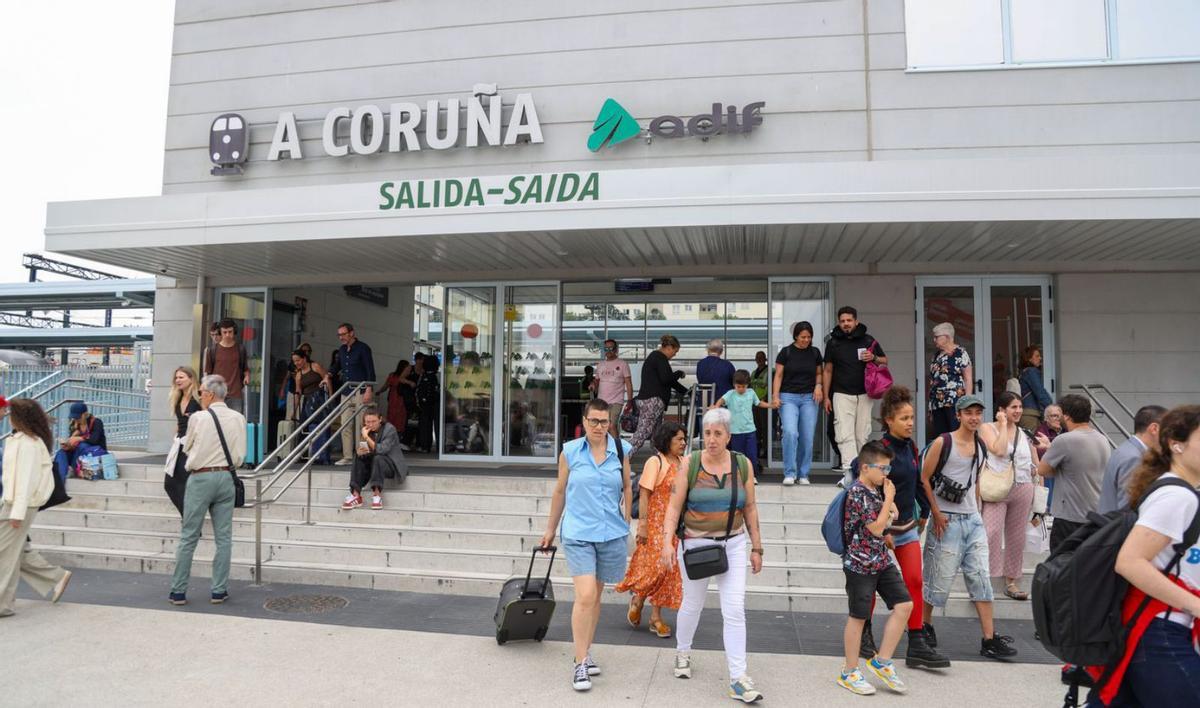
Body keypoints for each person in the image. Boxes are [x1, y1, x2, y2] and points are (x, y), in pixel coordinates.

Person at [1087, 406, 1200, 705]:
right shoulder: (1178, 496)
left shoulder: (1176, 490)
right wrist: (1195, 605)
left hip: (1152, 631)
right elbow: (1130, 561)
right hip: (1160, 631)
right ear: (1176, 444)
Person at [659, 407, 765, 704]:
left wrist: (757, 546)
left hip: (732, 543)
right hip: (696, 545)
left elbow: (751, 508)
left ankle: (738, 678)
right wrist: (667, 542)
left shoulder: (742, 465)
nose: (712, 439)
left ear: (729, 436)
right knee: (692, 604)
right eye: (707, 433)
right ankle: (683, 651)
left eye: (718, 433)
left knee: (734, 609)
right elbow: (674, 507)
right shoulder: (690, 463)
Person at [539, 399, 633, 692]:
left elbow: (628, 485)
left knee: (596, 598)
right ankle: (580, 663)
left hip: (610, 533)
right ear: (584, 420)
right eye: (593, 421)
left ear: (610, 423)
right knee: (586, 595)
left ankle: (586, 650)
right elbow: (559, 490)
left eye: (604, 422)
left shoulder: (621, 449)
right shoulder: (570, 451)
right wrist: (550, 530)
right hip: (579, 532)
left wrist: (628, 517)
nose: (599, 427)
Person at [919, 395, 1018, 660]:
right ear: (958, 415)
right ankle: (924, 627)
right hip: (946, 520)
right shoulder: (944, 442)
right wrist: (936, 514)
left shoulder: (981, 444)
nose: (974, 417)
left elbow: (980, 474)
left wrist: (977, 512)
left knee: (981, 578)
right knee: (937, 577)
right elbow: (925, 478)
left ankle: (989, 638)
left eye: (978, 413)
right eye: (969, 413)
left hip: (972, 520)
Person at [874, 386, 946, 668]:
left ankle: (916, 642)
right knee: (869, 587)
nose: (911, 422)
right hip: (878, 531)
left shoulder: (912, 447)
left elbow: (917, 481)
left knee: (915, 581)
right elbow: (868, 491)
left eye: (912, 417)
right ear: (889, 420)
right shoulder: (878, 451)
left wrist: (925, 511)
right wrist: (881, 533)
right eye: (904, 418)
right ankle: (865, 634)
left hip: (906, 528)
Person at [837, 441, 913, 696]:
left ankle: (882, 661)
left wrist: (888, 503)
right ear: (865, 467)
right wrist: (889, 498)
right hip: (860, 563)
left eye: (888, 468)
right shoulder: (857, 492)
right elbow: (876, 527)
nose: (886, 474)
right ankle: (849, 672)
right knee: (858, 617)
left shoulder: (874, 490)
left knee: (904, 605)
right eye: (882, 468)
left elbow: (887, 520)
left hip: (880, 559)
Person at [170, 375, 246, 606]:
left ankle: (179, 591)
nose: (199, 395)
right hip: (227, 477)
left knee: (189, 535)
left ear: (211, 394)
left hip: (201, 477)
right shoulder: (239, 418)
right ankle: (219, 590)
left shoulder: (198, 418)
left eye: (202, 392)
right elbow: (241, 452)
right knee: (224, 538)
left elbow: (188, 445)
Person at [1, 399, 72, 618]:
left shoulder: (28, 444)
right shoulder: (22, 440)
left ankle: (3, 603)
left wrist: (17, 513)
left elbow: (25, 481)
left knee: (5, 555)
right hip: (13, 503)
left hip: (18, 505)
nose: (7, 416)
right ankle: (55, 577)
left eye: (11, 413)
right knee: (14, 552)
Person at [616, 421, 685, 639]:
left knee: (668, 571)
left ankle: (655, 617)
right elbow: (644, 494)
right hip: (655, 524)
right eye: (679, 439)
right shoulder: (655, 462)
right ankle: (638, 597)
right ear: (667, 440)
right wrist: (643, 525)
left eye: (684, 439)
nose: (684, 443)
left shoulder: (684, 463)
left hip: (674, 526)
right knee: (655, 568)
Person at [979, 392, 1044, 602]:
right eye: (1013, 407)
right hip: (997, 488)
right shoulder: (988, 428)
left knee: (1017, 537)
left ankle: (1011, 581)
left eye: (1020, 407)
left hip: (1023, 486)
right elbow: (998, 451)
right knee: (992, 532)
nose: (1018, 411)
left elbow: (1036, 464)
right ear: (1001, 410)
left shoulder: (1025, 433)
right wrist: (1003, 425)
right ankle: (986, 579)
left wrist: (1039, 495)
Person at [1037, 394, 1111, 551]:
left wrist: (1051, 450)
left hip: (1069, 516)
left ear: (1067, 416)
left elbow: (1042, 470)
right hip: (1096, 515)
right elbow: (1078, 464)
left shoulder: (1064, 440)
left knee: (1062, 566)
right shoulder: (1102, 439)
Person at [823, 306, 887, 474]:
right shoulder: (833, 343)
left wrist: (873, 357)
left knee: (861, 434)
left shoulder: (867, 340)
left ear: (856, 321)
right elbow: (827, 370)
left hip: (865, 393)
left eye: (849, 320)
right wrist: (826, 397)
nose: (846, 324)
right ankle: (848, 471)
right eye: (842, 321)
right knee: (844, 434)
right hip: (841, 393)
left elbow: (884, 360)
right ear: (839, 322)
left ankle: (861, 471)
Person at [772, 321, 824, 485]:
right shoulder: (786, 352)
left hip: (809, 398)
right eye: (803, 337)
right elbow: (778, 375)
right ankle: (789, 472)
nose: (806, 340)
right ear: (795, 336)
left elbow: (819, 373)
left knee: (807, 437)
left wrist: (818, 386)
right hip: (788, 397)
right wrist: (775, 396)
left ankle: (803, 474)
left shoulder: (815, 353)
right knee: (790, 432)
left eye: (809, 337)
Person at [1098, 405, 1166, 514]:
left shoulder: (1127, 450)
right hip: (1120, 528)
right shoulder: (1135, 458)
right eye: (1167, 430)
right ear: (1154, 429)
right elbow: (1128, 509)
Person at [629, 335, 689, 453]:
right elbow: (667, 379)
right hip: (652, 401)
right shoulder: (659, 358)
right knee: (641, 434)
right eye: (675, 351)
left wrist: (685, 391)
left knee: (656, 437)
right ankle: (620, 462)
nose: (674, 354)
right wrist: (679, 373)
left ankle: (660, 464)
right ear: (669, 347)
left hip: (649, 400)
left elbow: (669, 381)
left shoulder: (656, 358)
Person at [328, 323, 376, 466]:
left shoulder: (363, 348)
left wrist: (369, 389)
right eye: (339, 335)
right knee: (345, 424)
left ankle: (363, 454)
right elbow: (337, 366)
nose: (341, 337)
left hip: (361, 391)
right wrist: (328, 375)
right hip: (346, 391)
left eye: (343, 334)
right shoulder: (342, 350)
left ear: (352, 333)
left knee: (363, 425)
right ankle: (348, 456)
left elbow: (370, 370)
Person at [341, 407, 406, 511]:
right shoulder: (366, 429)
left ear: (380, 419)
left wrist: (366, 437)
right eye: (367, 422)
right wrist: (360, 451)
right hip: (374, 464)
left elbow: (382, 450)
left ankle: (377, 496)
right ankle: (356, 495)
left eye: (373, 421)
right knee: (358, 456)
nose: (370, 424)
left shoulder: (390, 429)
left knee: (378, 458)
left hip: (390, 465)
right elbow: (365, 451)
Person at [712, 370, 775, 475]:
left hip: (750, 430)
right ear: (734, 385)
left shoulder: (751, 392)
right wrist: (716, 406)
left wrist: (770, 405)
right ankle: (740, 476)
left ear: (747, 385)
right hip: (736, 432)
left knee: (752, 455)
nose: (741, 389)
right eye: (738, 387)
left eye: (743, 387)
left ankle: (752, 475)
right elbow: (721, 400)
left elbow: (758, 403)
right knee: (738, 456)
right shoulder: (730, 394)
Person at [164, 366, 202, 515]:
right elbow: (179, 423)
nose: (177, 380)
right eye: (176, 377)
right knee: (169, 484)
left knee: (187, 484)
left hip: (193, 445)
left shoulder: (199, 398)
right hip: (179, 444)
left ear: (191, 379)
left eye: (181, 377)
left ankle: (190, 520)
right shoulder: (177, 398)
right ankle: (188, 518)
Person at [927, 322, 974, 439]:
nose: (934, 340)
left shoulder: (960, 353)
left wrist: (967, 402)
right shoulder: (936, 355)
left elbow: (968, 378)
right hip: (937, 404)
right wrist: (930, 406)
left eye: (937, 337)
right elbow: (933, 381)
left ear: (947, 337)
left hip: (955, 403)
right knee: (941, 438)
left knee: (956, 436)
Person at [291, 348, 331, 464]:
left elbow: (327, 379)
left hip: (319, 398)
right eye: (294, 361)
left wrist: (331, 396)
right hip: (307, 401)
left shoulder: (315, 366)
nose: (296, 363)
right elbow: (298, 391)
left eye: (298, 360)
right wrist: (294, 410)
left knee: (320, 426)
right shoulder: (298, 374)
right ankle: (301, 455)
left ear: (304, 359)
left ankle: (321, 455)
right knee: (303, 426)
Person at [203, 318, 250, 413]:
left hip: (235, 394)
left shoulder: (240, 349)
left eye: (230, 332)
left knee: (234, 423)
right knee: (216, 422)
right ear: (220, 332)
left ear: (234, 331)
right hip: (216, 394)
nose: (228, 335)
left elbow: (245, 368)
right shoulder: (212, 350)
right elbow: (207, 374)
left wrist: (247, 376)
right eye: (224, 332)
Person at [590, 339, 633, 442]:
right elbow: (597, 380)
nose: (608, 351)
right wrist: (593, 385)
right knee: (603, 427)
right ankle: (606, 449)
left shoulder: (623, 364)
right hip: (602, 402)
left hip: (616, 401)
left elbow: (628, 383)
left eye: (611, 348)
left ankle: (618, 451)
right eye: (606, 349)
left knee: (611, 425)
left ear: (616, 349)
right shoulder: (600, 365)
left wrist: (630, 401)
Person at [55, 402, 108, 480]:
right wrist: (68, 445)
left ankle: (74, 469)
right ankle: (59, 479)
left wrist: (79, 438)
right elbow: (73, 443)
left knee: (82, 445)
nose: (76, 419)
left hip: (94, 454)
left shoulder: (96, 422)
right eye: (74, 417)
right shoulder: (74, 424)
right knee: (61, 452)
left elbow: (94, 440)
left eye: (78, 417)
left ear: (85, 414)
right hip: (78, 455)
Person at [1017, 345, 1053, 432]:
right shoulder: (1031, 371)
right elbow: (1040, 392)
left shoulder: (1024, 372)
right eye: (1037, 356)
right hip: (1030, 414)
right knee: (1032, 443)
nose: (1040, 358)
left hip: (1027, 413)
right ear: (1029, 359)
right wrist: (1052, 408)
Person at [696, 338, 736, 405]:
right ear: (721, 351)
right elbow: (735, 382)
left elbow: (700, 379)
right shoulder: (727, 365)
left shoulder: (700, 364)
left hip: (704, 403)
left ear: (708, 350)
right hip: (723, 403)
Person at [414, 357, 440, 454]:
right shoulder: (438, 376)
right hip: (437, 404)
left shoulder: (423, 376)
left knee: (425, 425)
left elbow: (417, 390)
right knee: (438, 426)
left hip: (425, 405)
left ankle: (425, 446)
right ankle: (439, 447)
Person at [384, 359, 414, 437]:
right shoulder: (405, 377)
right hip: (400, 398)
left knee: (392, 416)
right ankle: (398, 435)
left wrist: (379, 391)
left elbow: (385, 386)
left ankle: (390, 434)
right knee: (400, 417)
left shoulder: (392, 375)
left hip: (392, 398)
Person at [750, 351, 769, 466]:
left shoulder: (769, 371)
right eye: (757, 358)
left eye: (761, 357)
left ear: (765, 359)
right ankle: (757, 448)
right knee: (756, 427)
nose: (759, 359)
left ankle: (766, 450)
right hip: (754, 404)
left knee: (765, 427)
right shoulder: (753, 373)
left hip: (764, 403)